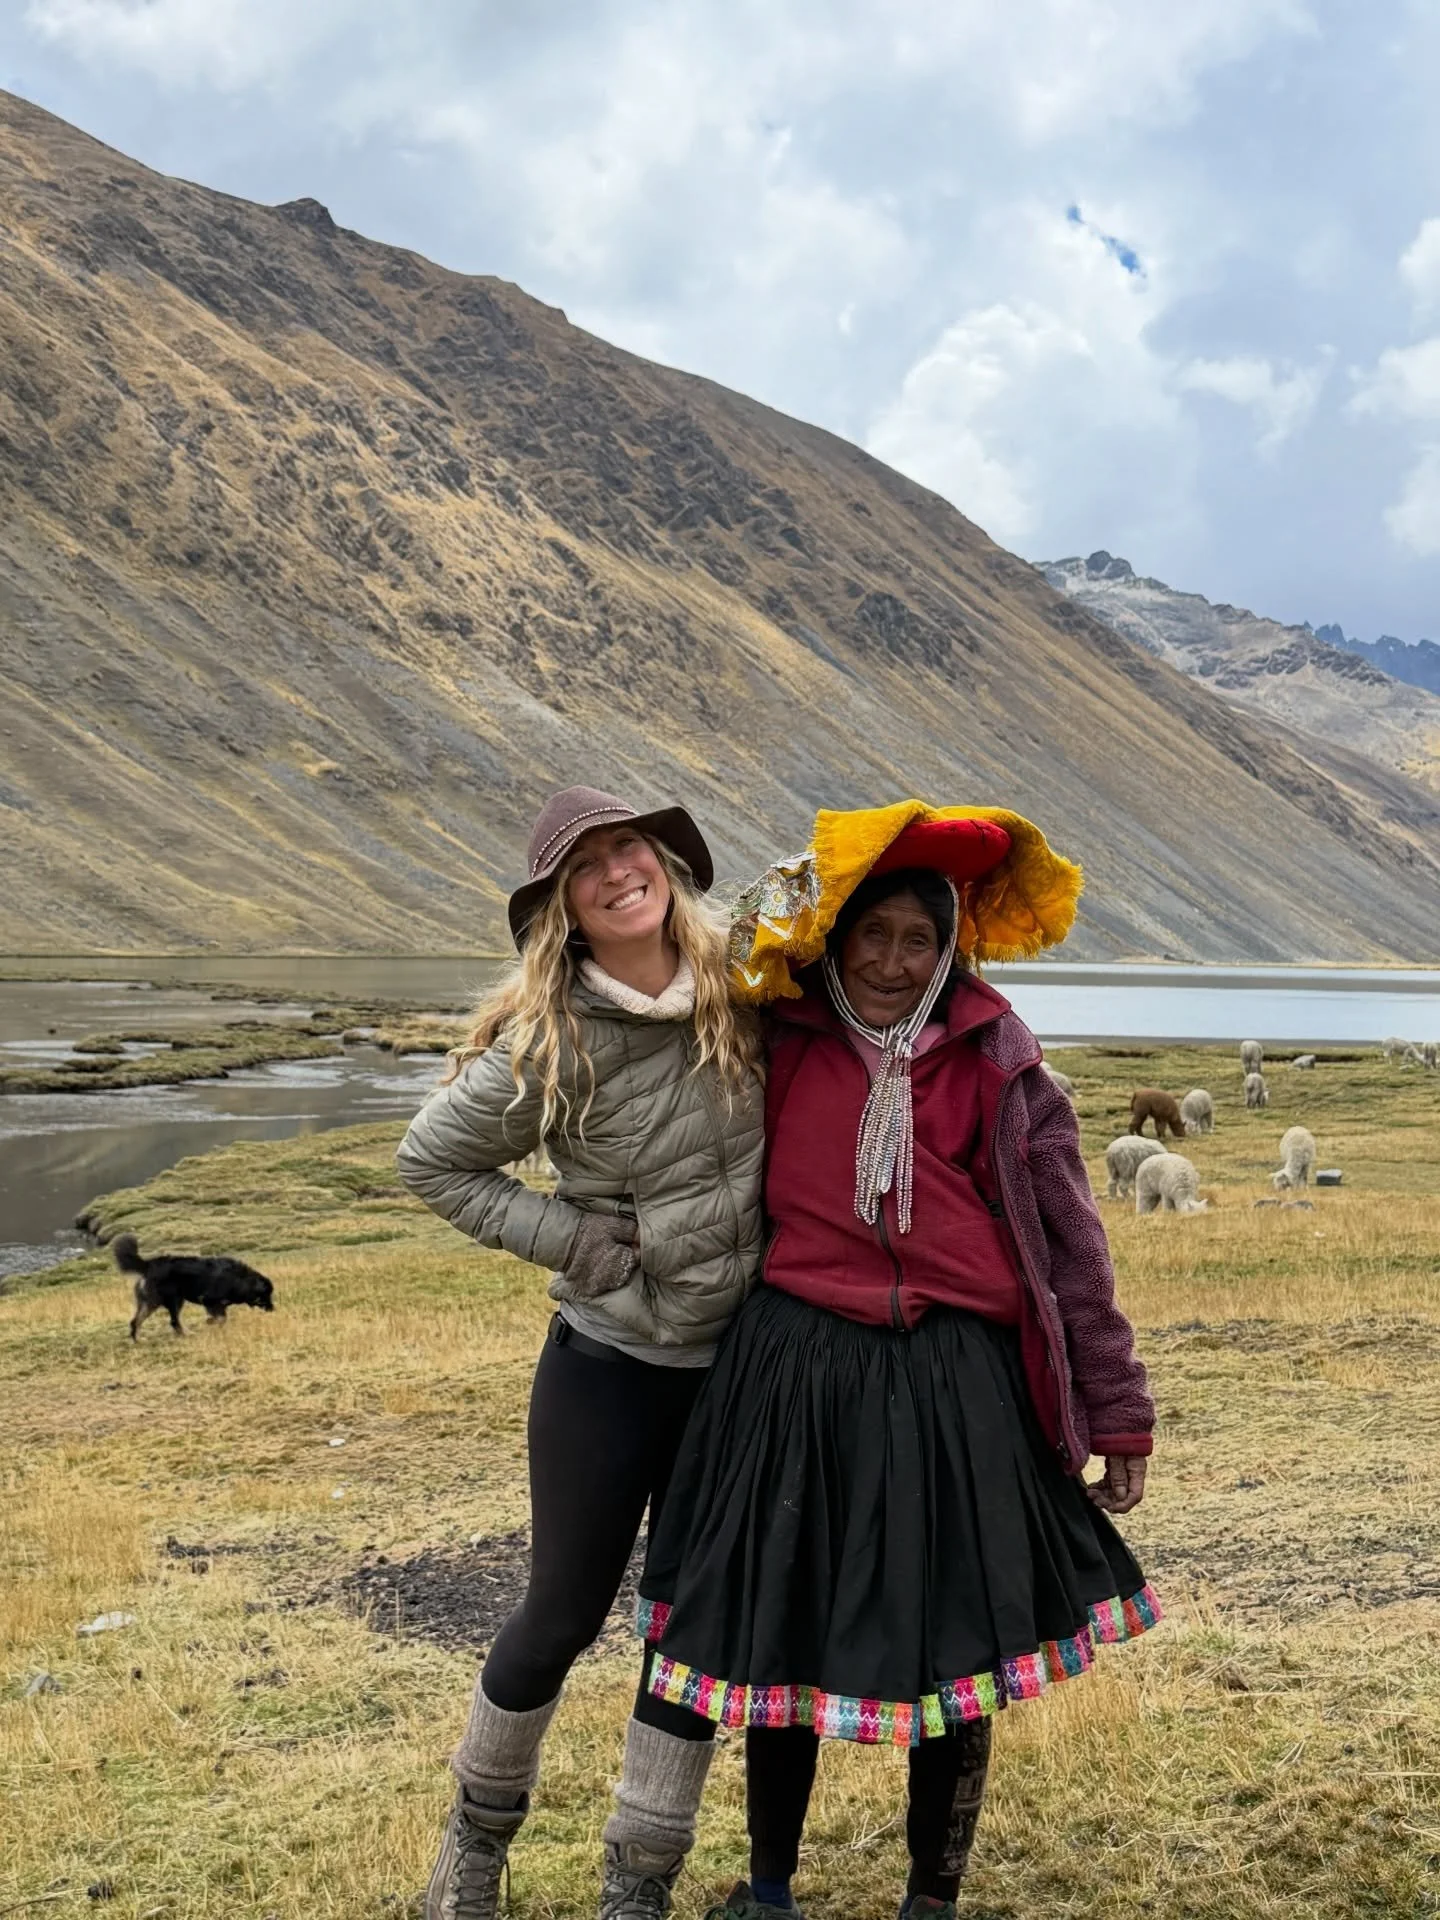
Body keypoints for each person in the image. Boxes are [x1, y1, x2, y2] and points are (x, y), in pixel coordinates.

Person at [636, 803, 1160, 1920]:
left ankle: (934, 1896)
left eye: (916, 940)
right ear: (835, 938)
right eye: (869, 933)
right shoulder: (775, 1039)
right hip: (795, 1374)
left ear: (948, 949)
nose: (889, 961)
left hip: (955, 1383)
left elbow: (1075, 1249)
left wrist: (1117, 1413)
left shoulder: (998, 1061)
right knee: (784, 1637)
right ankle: (768, 1889)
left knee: (957, 1651)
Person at [397, 785, 764, 1920]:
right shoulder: (548, 1036)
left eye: (633, 850)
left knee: (695, 1631)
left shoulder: (751, 991)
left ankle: (638, 1881)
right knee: (558, 1614)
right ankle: (472, 1851)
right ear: (564, 905)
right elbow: (432, 1163)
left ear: (668, 865)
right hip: (606, 1366)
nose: (619, 873)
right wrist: (572, 1239)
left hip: (740, 1373)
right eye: (589, 866)